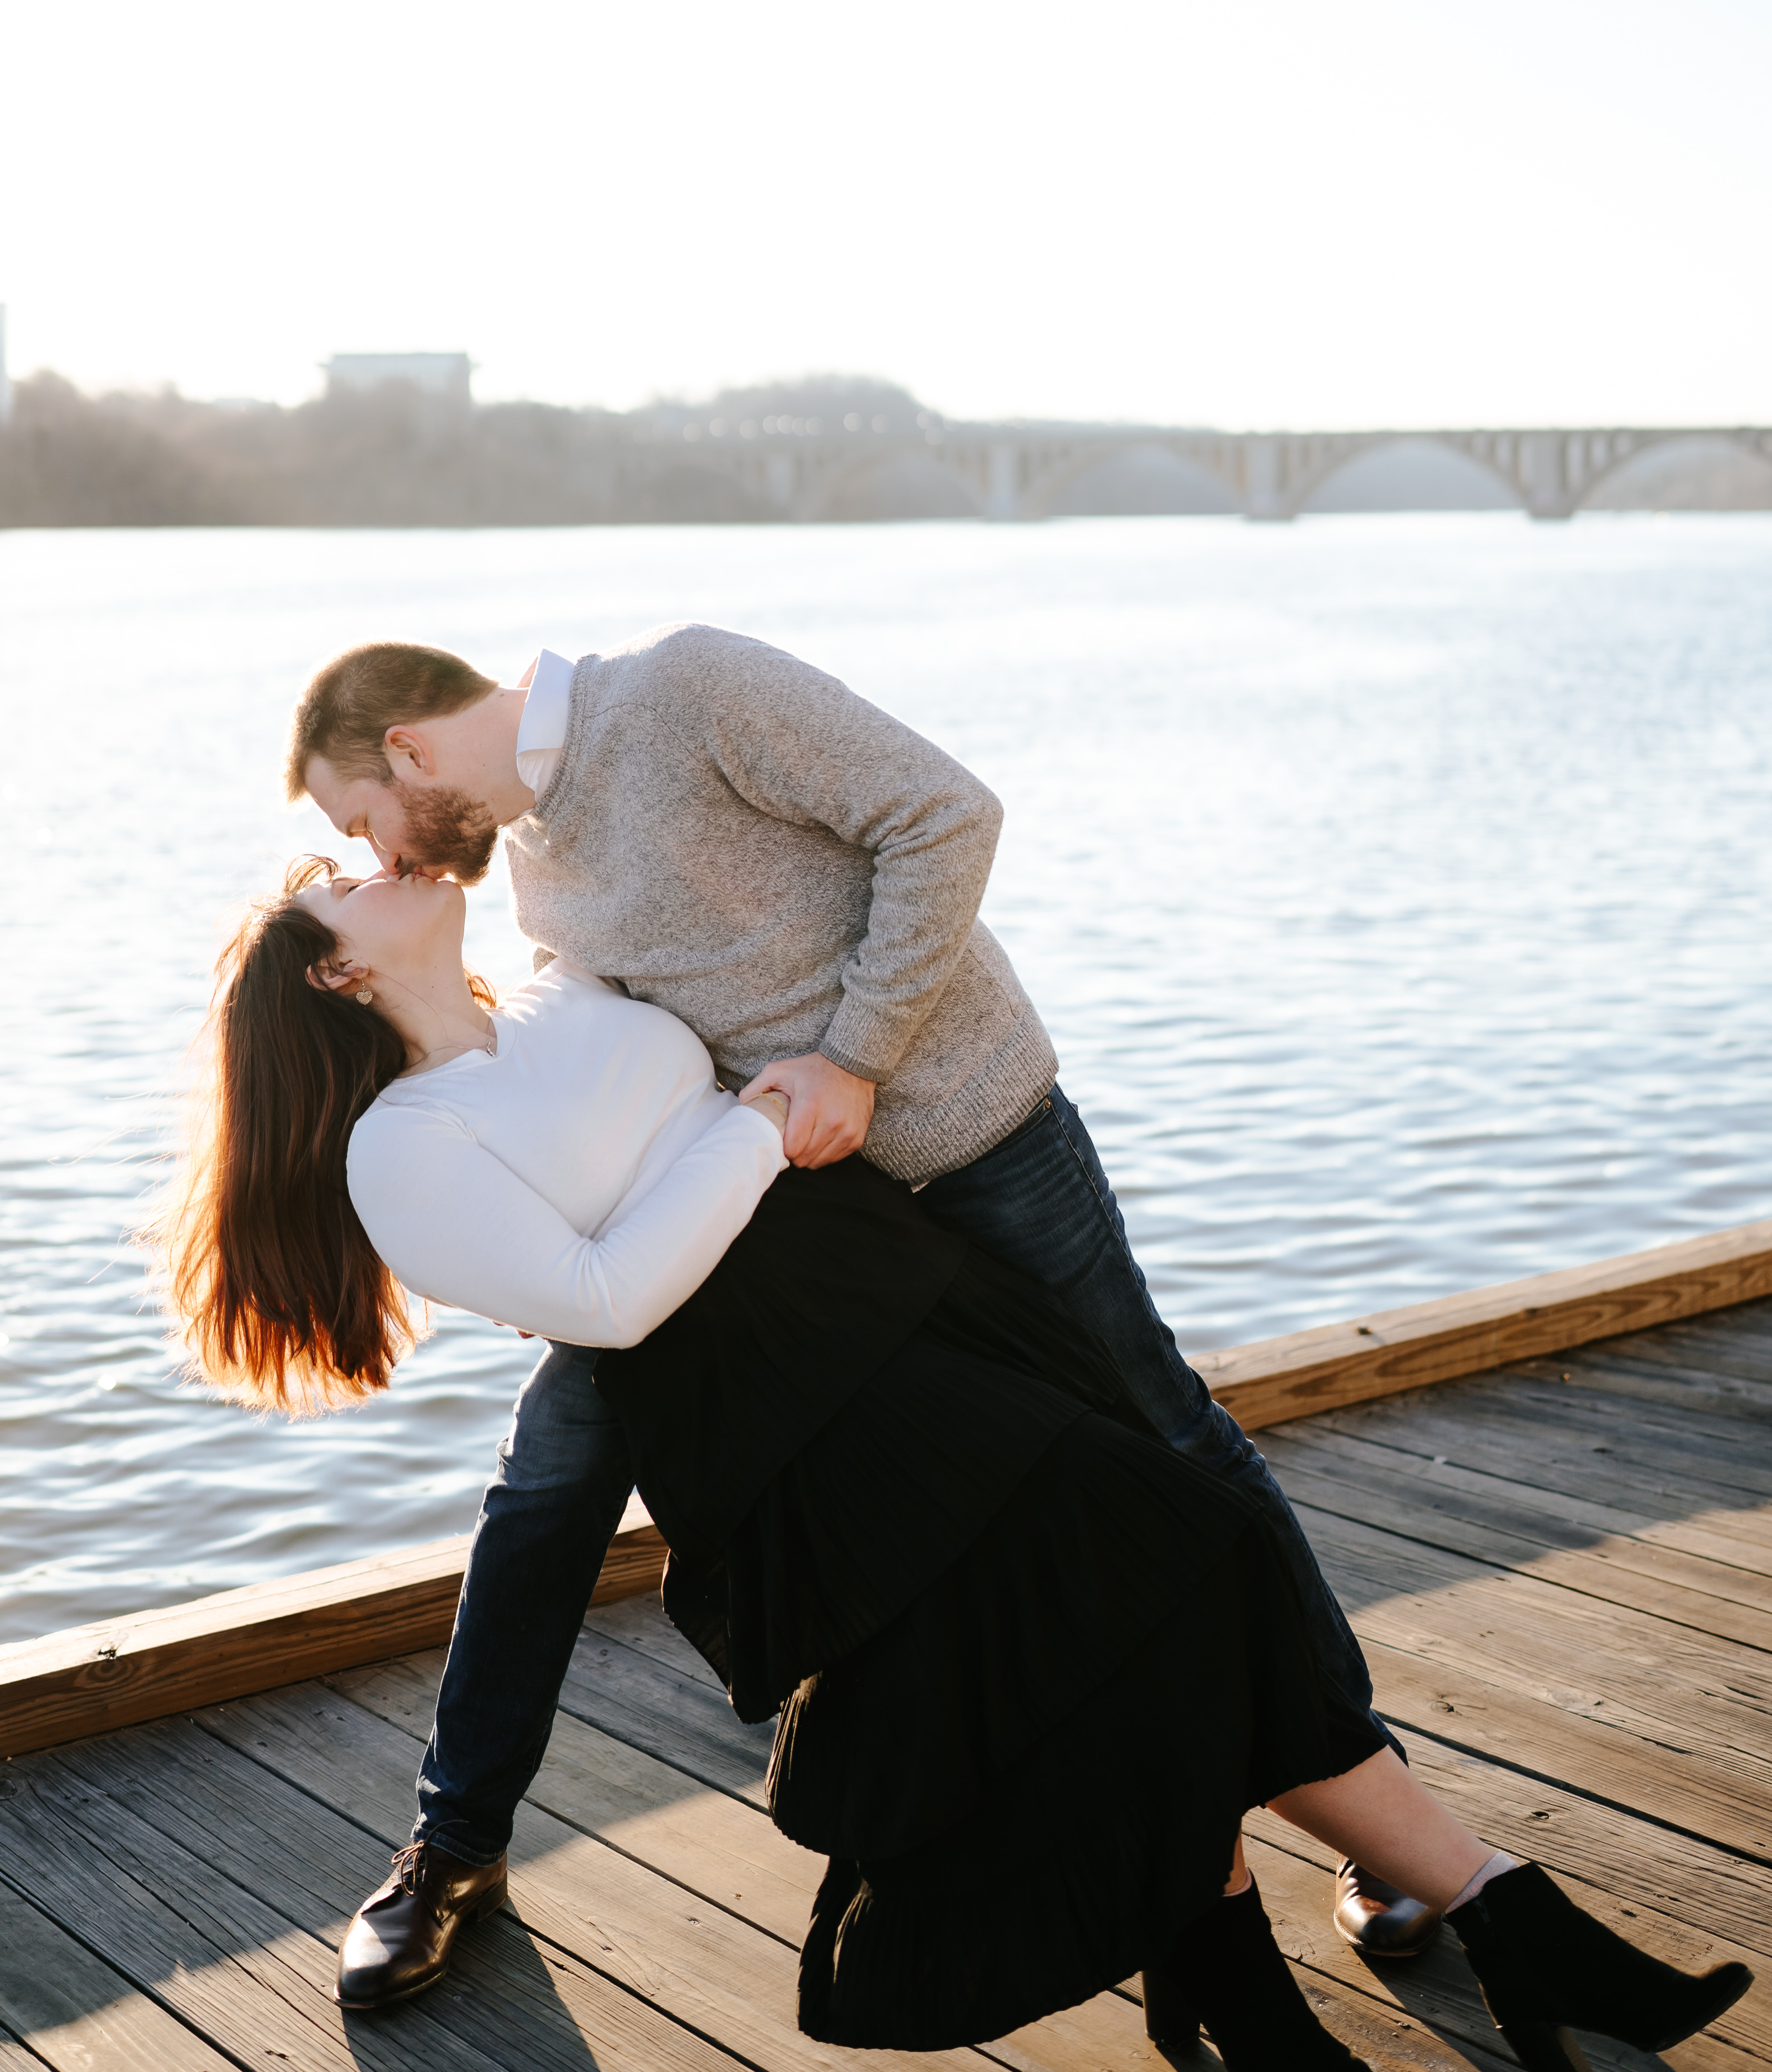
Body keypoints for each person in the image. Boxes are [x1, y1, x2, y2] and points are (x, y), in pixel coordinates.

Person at [152, 855, 1751, 2067]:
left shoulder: (563, 990)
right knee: (1168, 1565)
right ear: (340, 981)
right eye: (342, 888)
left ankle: (1305, 1968)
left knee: (1164, 1588)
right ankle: (1439, 1942)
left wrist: (791, 1097)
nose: (375, 863)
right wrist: (751, 1130)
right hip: (781, 1409)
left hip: (900, 1292)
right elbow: (605, 1302)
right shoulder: (399, 1147)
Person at [282, 624, 1431, 1995]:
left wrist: (857, 1060)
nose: (390, 858)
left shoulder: (689, 691)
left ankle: (1371, 1803)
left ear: (409, 749)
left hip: (974, 1145)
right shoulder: (534, 876)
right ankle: (452, 1847)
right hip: (784, 1242)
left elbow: (945, 817)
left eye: (367, 820)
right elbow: (588, 1059)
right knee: (543, 1500)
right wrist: (537, 1239)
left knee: (1165, 1435)